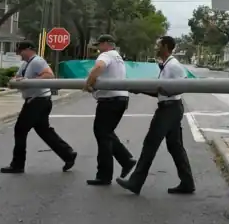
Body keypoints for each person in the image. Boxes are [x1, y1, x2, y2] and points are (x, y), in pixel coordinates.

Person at [116, 36, 195, 195]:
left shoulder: (173, 66)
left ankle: (135, 182)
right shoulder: (167, 65)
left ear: (166, 47)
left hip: (169, 109)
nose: (156, 48)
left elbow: (183, 85)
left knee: (150, 144)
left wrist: (167, 91)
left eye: (158, 45)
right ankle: (187, 183)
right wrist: (141, 89)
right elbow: (160, 92)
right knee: (175, 147)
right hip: (170, 107)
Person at [1, 41, 77, 174]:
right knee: (44, 131)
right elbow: (18, 77)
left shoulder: (37, 61)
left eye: (21, 51)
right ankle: (68, 154)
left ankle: (17, 164)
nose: (19, 54)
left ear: (29, 50)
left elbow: (49, 75)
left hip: (38, 101)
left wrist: (31, 80)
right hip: (36, 100)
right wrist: (15, 81)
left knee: (20, 130)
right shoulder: (26, 64)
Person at [83, 34, 136, 186]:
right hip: (120, 98)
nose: (98, 47)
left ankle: (104, 175)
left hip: (109, 100)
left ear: (107, 44)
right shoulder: (118, 57)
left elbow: (98, 67)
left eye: (100, 44)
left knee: (102, 134)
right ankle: (126, 160)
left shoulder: (106, 55)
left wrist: (88, 83)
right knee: (106, 133)